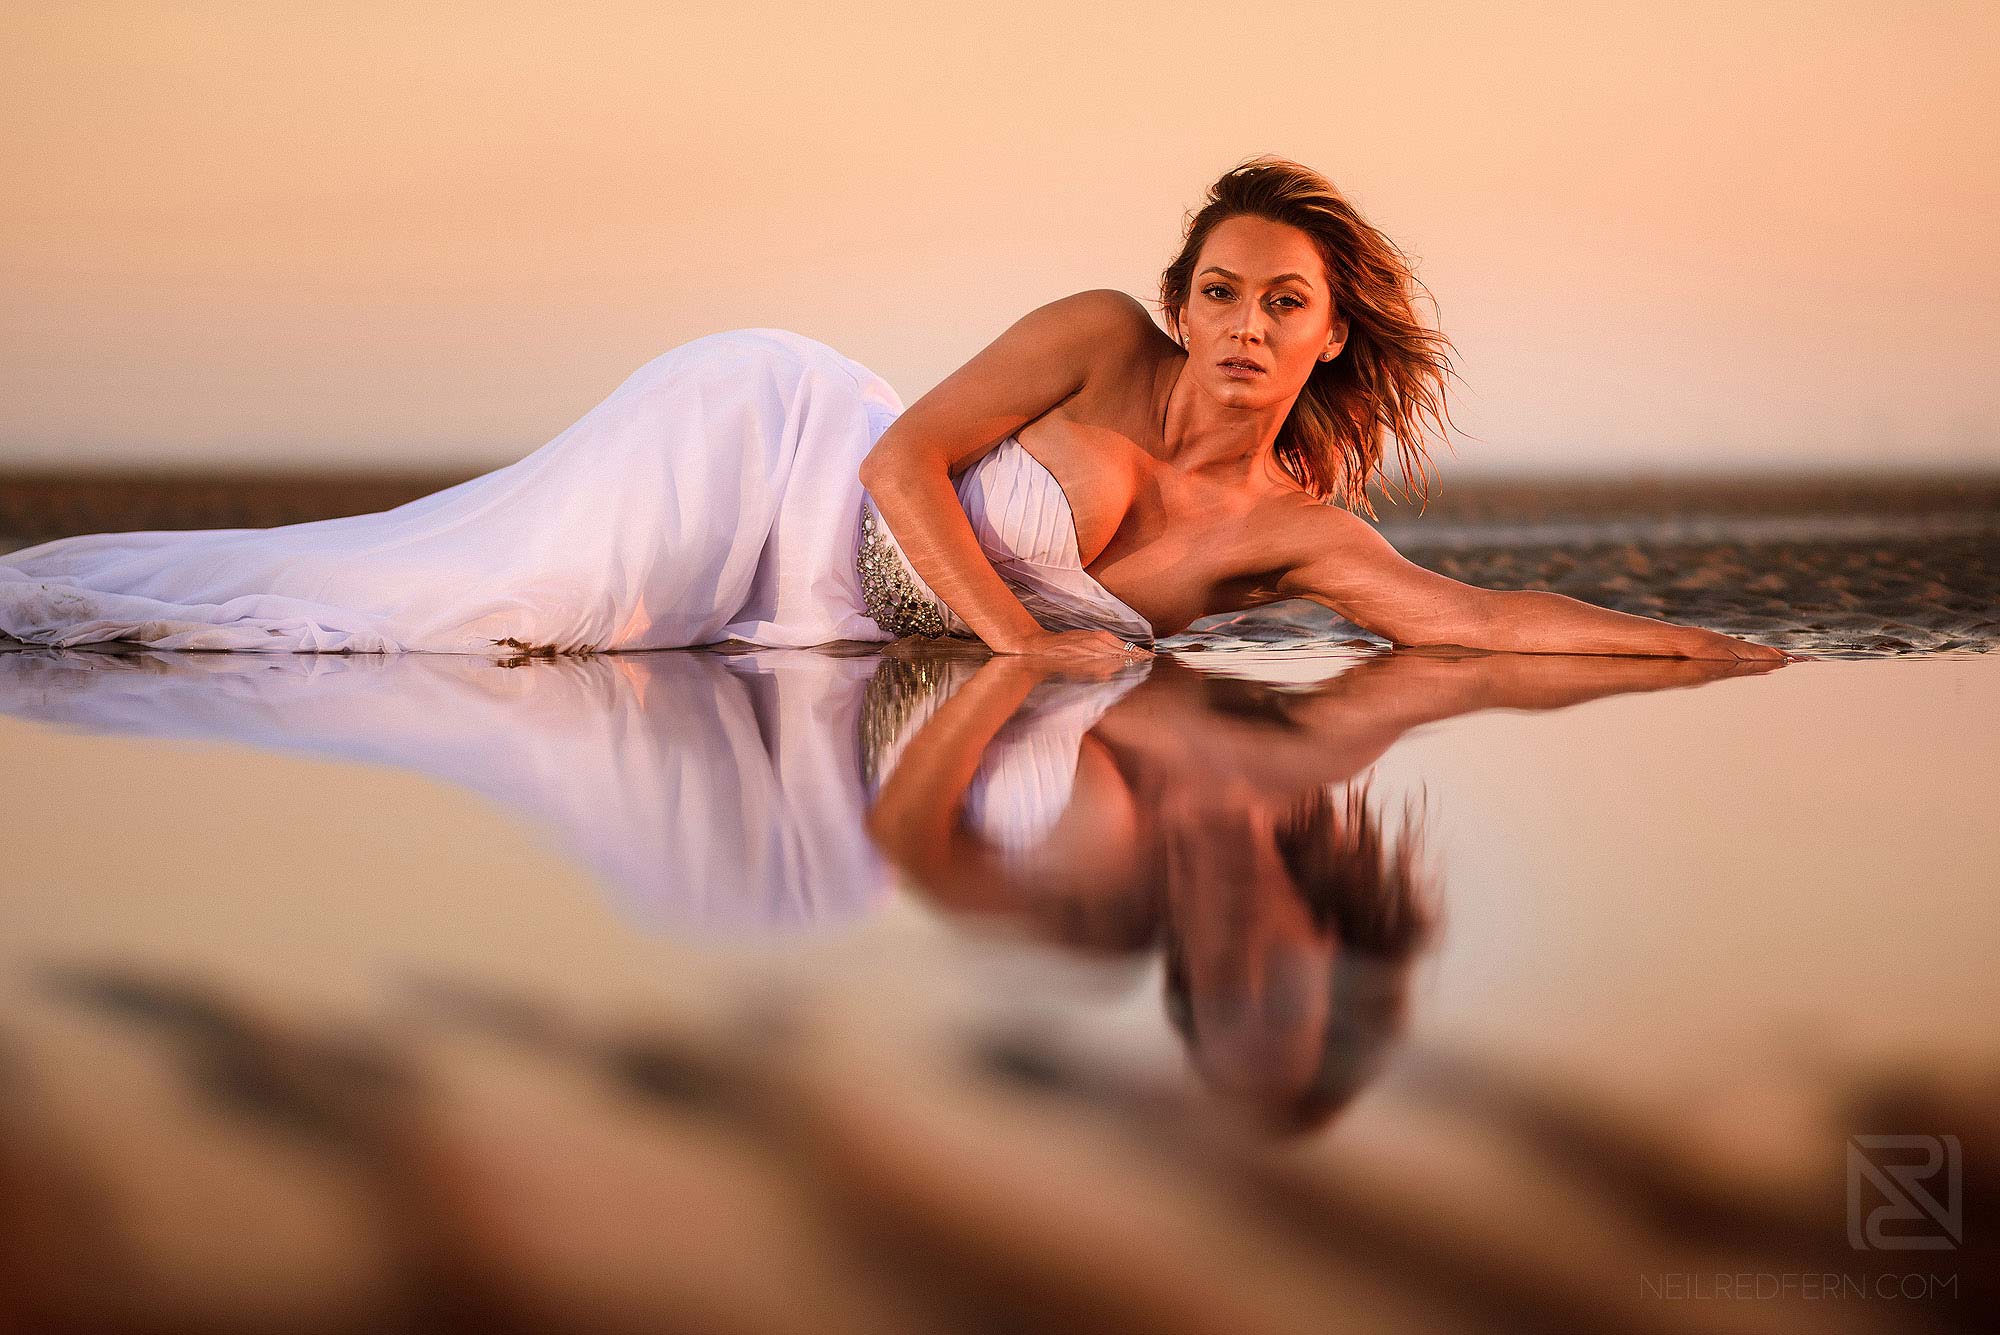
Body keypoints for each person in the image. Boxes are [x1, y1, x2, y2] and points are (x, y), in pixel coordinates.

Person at [0, 155, 1786, 665]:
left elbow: (1471, 626)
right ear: (1181, 303)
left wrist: (1714, 650)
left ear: (1328, 342)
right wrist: (1021, 647)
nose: (1243, 324)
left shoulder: (1296, 533)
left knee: (511, 623)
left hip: (809, 605)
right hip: (755, 438)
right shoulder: (1096, 336)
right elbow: (889, 454)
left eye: (1284, 304)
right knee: (466, 612)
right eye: (1222, 290)